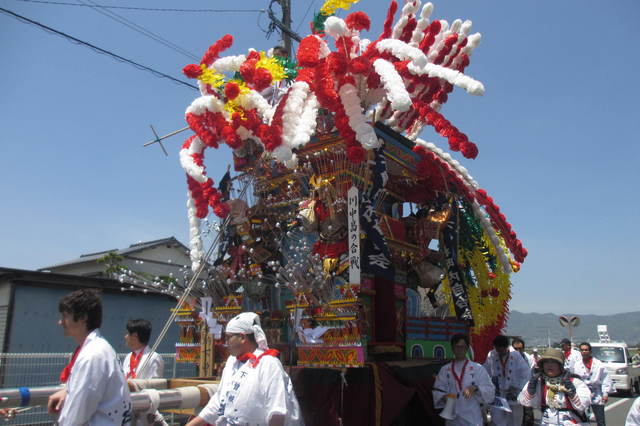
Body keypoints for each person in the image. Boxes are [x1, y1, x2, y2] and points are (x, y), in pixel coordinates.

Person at [186, 312, 302, 426]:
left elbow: (277, 411)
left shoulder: (268, 364)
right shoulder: (232, 362)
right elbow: (219, 402)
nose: (226, 343)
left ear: (242, 337)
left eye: (228, 338)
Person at [47, 289, 132, 425]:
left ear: (82, 317)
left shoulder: (92, 355)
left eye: (65, 316)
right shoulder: (100, 348)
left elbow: (76, 415)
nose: (60, 322)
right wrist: (67, 391)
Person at [433, 334, 495, 425]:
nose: (459, 350)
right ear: (452, 348)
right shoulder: (445, 369)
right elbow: (437, 390)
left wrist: (475, 388)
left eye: (462, 347)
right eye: (456, 347)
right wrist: (443, 397)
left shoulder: (477, 368)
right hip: (453, 419)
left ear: (467, 349)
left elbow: (490, 390)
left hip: (472, 418)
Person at [518, 347, 591, 425]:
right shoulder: (539, 383)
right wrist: (531, 389)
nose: (549, 365)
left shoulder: (575, 382)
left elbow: (582, 406)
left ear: (560, 365)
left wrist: (571, 392)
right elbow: (526, 403)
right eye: (546, 362)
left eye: (553, 362)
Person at [483, 335, 530, 426]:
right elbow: (485, 372)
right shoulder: (491, 355)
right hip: (498, 394)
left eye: (502, 350)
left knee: (514, 420)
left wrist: (517, 386)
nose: (500, 352)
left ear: (507, 347)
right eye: (498, 349)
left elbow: (526, 374)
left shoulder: (516, 355)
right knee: (497, 420)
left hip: (513, 393)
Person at [574, 342, 612, 426]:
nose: (584, 352)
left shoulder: (598, 364)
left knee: (600, 420)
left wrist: (605, 393)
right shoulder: (577, 365)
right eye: (582, 350)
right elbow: (576, 380)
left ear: (590, 351)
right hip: (583, 393)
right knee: (582, 419)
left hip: (597, 393)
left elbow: (605, 378)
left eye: (586, 350)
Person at [511, 338, 535, 426]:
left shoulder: (529, 358)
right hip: (515, 391)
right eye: (515, 349)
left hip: (528, 389)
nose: (518, 351)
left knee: (528, 413)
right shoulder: (510, 359)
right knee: (516, 416)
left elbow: (532, 373)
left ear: (523, 348)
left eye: (520, 348)